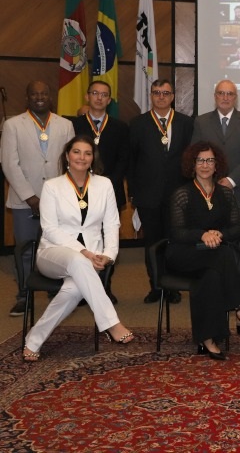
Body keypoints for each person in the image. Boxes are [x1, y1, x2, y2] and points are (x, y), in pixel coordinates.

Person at [22, 136, 132, 361]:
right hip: (53, 253)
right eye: (76, 152)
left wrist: (108, 255)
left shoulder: (105, 184)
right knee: (78, 261)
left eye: (87, 153)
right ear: (67, 156)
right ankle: (112, 323)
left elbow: (112, 224)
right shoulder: (52, 186)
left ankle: (34, 339)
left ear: (93, 158)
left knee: (73, 290)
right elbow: (50, 228)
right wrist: (83, 252)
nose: (82, 157)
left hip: (93, 257)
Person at [166, 142, 240, 361]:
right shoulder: (181, 194)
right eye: (200, 160)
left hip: (213, 256)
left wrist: (218, 235)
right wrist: (202, 235)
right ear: (192, 165)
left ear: (216, 165)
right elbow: (177, 233)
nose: (205, 165)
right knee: (222, 256)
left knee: (212, 275)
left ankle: (209, 339)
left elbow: (237, 228)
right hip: (184, 255)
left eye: (209, 160)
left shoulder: (225, 194)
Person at [1, 80, 75, 317]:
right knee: (25, 249)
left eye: (44, 93)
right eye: (34, 94)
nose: (39, 97)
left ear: (50, 96)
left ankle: (56, 290)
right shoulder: (12, 125)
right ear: (27, 97)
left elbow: (70, 163)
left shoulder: (65, 125)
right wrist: (31, 198)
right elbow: (9, 164)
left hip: (57, 201)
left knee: (56, 248)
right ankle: (24, 294)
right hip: (25, 201)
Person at [191, 80, 240, 292]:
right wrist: (211, 180)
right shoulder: (201, 122)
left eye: (230, 94)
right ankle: (214, 288)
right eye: (221, 93)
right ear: (215, 96)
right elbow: (195, 154)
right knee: (213, 242)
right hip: (208, 194)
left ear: (235, 97)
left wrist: (230, 180)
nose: (225, 97)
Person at [129, 79, 194, 304]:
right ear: (151, 95)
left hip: (178, 196)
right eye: (157, 93)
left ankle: (172, 286)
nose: (161, 97)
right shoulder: (138, 124)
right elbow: (132, 162)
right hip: (148, 196)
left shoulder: (186, 123)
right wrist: (134, 194)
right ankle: (156, 285)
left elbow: (191, 161)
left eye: (166, 93)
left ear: (173, 96)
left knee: (174, 242)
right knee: (152, 243)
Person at [72, 80, 129, 303]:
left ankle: (105, 286)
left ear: (109, 100)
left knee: (107, 241)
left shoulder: (120, 127)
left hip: (110, 192)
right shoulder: (74, 125)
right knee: (82, 240)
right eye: (94, 93)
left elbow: (124, 161)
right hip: (78, 193)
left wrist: (103, 185)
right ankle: (82, 287)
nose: (99, 97)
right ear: (87, 96)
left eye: (104, 94)